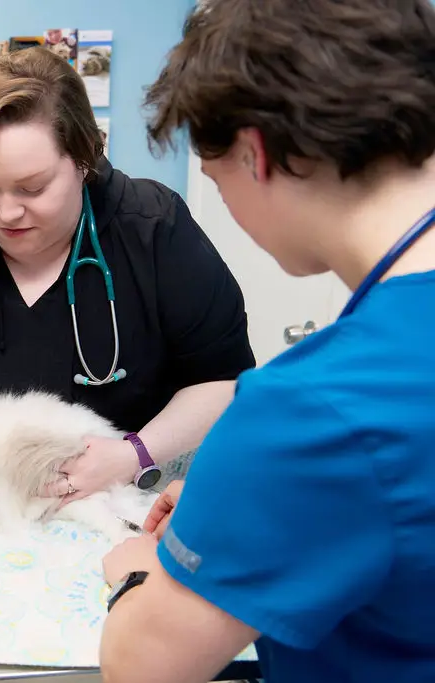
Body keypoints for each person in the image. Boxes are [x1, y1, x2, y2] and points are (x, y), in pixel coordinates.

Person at [98, 1, 435, 682]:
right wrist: (238, 496)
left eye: (216, 180)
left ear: (255, 154)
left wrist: (135, 570)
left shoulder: (311, 408)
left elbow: (142, 667)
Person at [0, 46, 255, 501]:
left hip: (122, 495)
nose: (7, 211)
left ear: (84, 159)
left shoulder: (152, 229)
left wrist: (132, 454)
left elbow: (221, 377)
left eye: (33, 188)